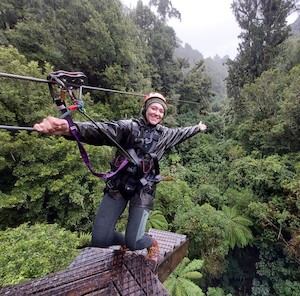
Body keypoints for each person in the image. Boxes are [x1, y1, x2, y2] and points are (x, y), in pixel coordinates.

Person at [34, 92, 207, 262]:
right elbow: (102, 130)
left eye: (161, 111)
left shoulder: (165, 135)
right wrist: (69, 128)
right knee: (100, 240)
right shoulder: (129, 127)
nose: (157, 113)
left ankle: (151, 242)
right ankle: (127, 240)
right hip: (119, 184)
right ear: (145, 109)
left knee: (135, 242)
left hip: (144, 188)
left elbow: (182, 132)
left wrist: (198, 128)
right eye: (153, 108)